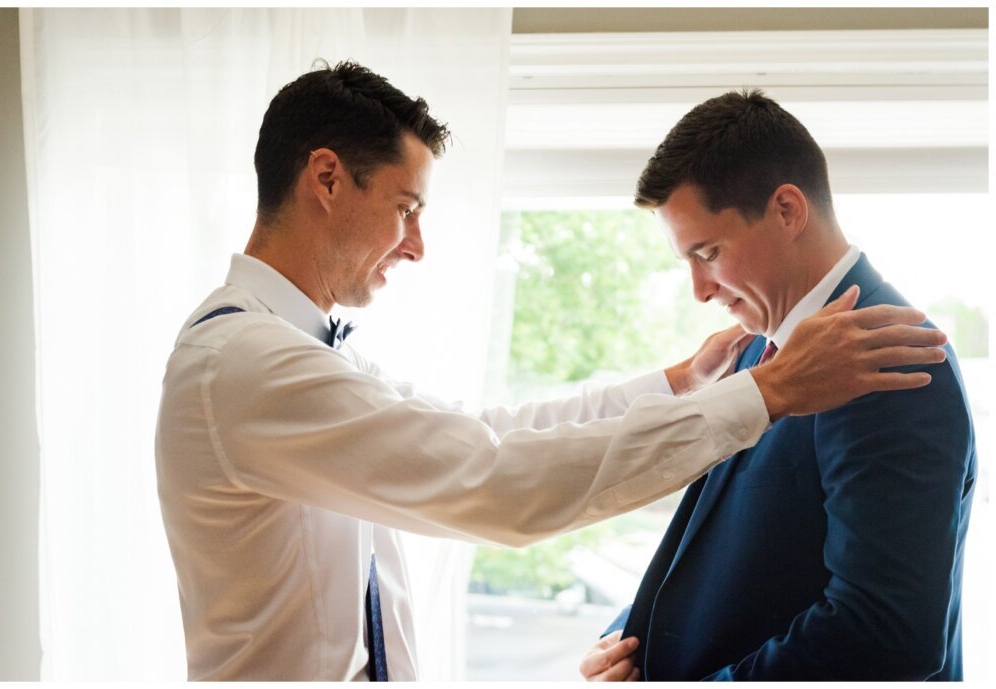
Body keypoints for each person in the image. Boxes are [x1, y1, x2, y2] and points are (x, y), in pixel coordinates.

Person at [155, 62, 948, 681]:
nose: (416, 244)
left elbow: (486, 432)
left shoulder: (316, 354)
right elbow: (495, 477)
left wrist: (674, 385)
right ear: (327, 179)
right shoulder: (244, 365)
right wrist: (764, 393)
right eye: (406, 207)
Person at [581, 90, 976, 682]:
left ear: (788, 209)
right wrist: (627, 640)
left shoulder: (889, 358)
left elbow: (884, 634)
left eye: (709, 253)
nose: (700, 290)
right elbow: (722, 551)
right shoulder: (754, 354)